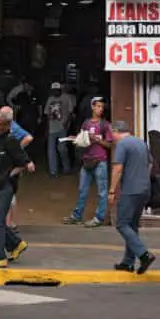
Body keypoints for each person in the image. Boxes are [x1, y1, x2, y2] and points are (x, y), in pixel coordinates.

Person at [0, 110, 30, 268]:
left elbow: (22, 163)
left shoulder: (11, 141)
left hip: (6, 186)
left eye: (0, 125)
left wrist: (10, 175)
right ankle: (16, 244)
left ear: (8, 126)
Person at [109, 120, 156, 274]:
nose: (112, 137)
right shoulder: (141, 143)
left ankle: (144, 254)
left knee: (122, 224)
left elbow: (117, 168)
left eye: (112, 133)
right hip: (144, 189)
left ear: (117, 131)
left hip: (130, 190)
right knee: (132, 226)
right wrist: (142, 177)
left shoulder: (122, 145)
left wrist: (112, 190)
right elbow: (150, 163)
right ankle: (128, 262)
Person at [63, 97, 112, 227]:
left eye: (102, 107)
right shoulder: (86, 123)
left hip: (100, 160)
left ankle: (99, 217)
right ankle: (77, 216)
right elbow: (82, 138)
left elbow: (109, 145)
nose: (100, 109)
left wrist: (96, 139)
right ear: (92, 107)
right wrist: (75, 138)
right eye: (98, 106)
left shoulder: (105, 125)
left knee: (102, 191)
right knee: (82, 190)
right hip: (87, 159)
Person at [43, 82, 73, 177]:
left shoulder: (66, 98)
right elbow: (47, 114)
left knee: (62, 149)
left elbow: (70, 112)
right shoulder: (50, 99)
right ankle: (53, 172)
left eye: (57, 90)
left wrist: (66, 123)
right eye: (54, 90)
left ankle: (66, 168)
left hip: (62, 128)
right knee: (51, 151)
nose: (55, 92)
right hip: (52, 129)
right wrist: (46, 129)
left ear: (60, 90)